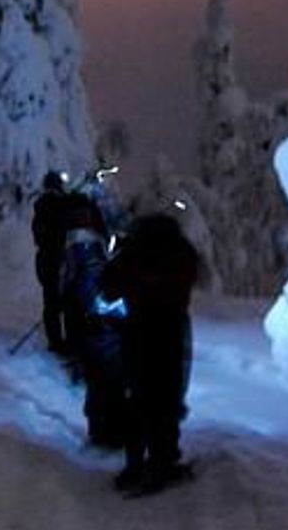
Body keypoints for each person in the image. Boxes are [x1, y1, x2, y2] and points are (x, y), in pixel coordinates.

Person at [99, 213, 201, 495]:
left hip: (137, 331)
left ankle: (135, 464)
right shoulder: (181, 252)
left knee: (139, 397)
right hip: (171, 331)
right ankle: (163, 461)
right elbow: (189, 278)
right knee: (167, 398)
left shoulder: (132, 253)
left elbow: (107, 288)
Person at [57, 183, 122, 448]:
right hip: (92, 307)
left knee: (99, 372)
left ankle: (103, 429)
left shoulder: (78, 242)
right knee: (102, 373)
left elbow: (70, 277)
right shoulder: (88, 242)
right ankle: (106, 431)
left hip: (87, 307)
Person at [31, 170, 71, 357]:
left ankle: (57, 340)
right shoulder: (58, 205)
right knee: (62, 301)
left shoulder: (44, 206)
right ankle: (60, 341)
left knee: (53, 302)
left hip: (50, 258)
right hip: (56, 258)